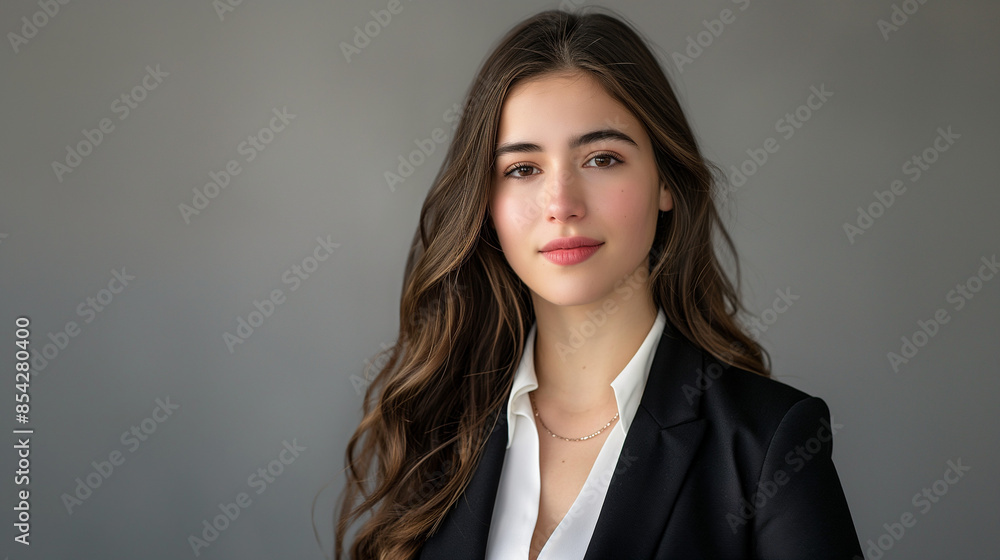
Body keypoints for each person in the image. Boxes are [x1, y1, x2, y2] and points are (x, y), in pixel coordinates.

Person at [332, 7, 862, 559]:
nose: (562, 205)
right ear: (486, 205)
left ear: (666, 184)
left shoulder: (768, 444)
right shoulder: (435, 428)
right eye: (522, 168)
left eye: (602, 158)